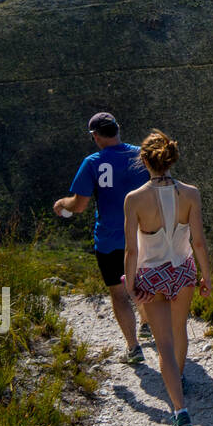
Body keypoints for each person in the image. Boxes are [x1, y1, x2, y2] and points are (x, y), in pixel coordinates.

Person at [123, 130, 212, 426]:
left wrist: (131, 284)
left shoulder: (134, 199)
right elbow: (198, 242)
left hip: (152, 275)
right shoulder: (191, 193)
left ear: (144, 160)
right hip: (184, 271)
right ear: (170, 158)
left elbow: (131, 250)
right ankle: (180, 375)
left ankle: (179, 410)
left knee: (163, 345)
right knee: (180, 330)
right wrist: (207, 277)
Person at [54, 112, 152, 364]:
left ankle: (133, 348)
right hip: (144, 236)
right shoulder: (142, 155)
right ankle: (147, 323)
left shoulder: (93, 162)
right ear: (118, 129)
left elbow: (79, 205)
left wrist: (61, 204)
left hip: (110, 239)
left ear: (95, 136)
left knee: (119, 293)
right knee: (142, 282)